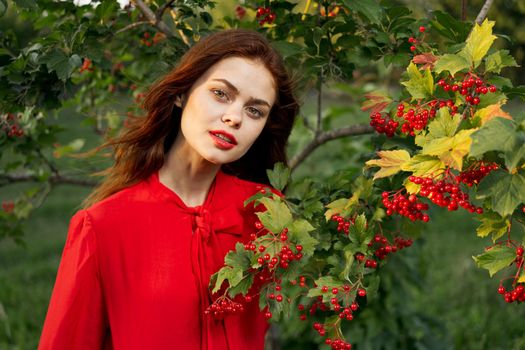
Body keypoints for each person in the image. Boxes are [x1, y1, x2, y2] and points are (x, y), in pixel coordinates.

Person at [38, 29, 299, 350]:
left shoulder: (267, 214)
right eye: (221, 94)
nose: (234, 118)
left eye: (254, 110)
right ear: (182, 93)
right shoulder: (102, 226)